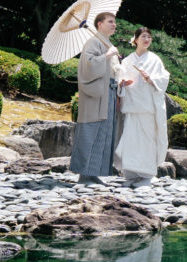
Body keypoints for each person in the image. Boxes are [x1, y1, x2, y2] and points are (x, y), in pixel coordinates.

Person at [70, 10, 121, 183]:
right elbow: (87, 65)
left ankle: (95, 172)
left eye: (114, 22)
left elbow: (114, 71)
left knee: (105, 131)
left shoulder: (107, 43)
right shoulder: (93, 42)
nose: (114, 24)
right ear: (99, 24)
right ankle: (85, 173)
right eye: (110, 21)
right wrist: (107, 56)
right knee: (92, 129)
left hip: (109, 93)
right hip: (96, 95)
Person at [115, 25, 170, 185]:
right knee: (131, 140)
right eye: (143, 36)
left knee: (147, 140)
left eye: (149, 37)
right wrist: (122, 83)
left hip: (147, 107)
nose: (147, 39)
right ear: (136, 39)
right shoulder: (127, 60)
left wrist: (151, 79)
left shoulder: (154, 59)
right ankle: (131, 174)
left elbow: (164, 78)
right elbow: (119, 78)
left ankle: (147, 174)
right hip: (132, 107)